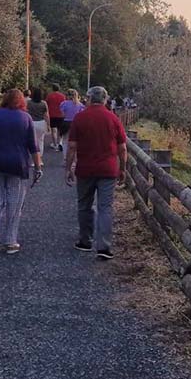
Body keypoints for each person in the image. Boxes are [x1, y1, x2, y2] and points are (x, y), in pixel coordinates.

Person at [0, 89, 43, 254]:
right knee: (14, 202)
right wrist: (38, 168)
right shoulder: (26, 118)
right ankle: (11, 242)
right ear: (22, 102)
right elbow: (33, 147)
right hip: (17, 165)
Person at [64, 86, 127, 260]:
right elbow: (122, 148)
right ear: (105, 100)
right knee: (105, 207)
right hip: (108, 169)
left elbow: (72, 147)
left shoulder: (80, 118)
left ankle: (85, 241)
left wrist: (68, 168)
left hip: (85, 168)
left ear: (89, 99)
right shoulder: (113, 119)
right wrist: (123, 168)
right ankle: (104, 247)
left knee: (84, 205)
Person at [27, 87, 49, 157]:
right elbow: (46, 115)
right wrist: (48, 125)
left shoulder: (29, 103)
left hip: (31, 122)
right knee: (40, 141)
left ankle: (33, 159)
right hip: (41, 122)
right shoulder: (43, 103)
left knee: (31, 141)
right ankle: (39, 159)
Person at [46, 84, 66, 152]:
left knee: (54, 130)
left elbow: (47, 105)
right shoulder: (62, 96)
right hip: (60, 115)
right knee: (60, 130)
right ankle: (60, 142)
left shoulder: (49, 96)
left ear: (52, 88)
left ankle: (55, 144)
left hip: (52, 115)